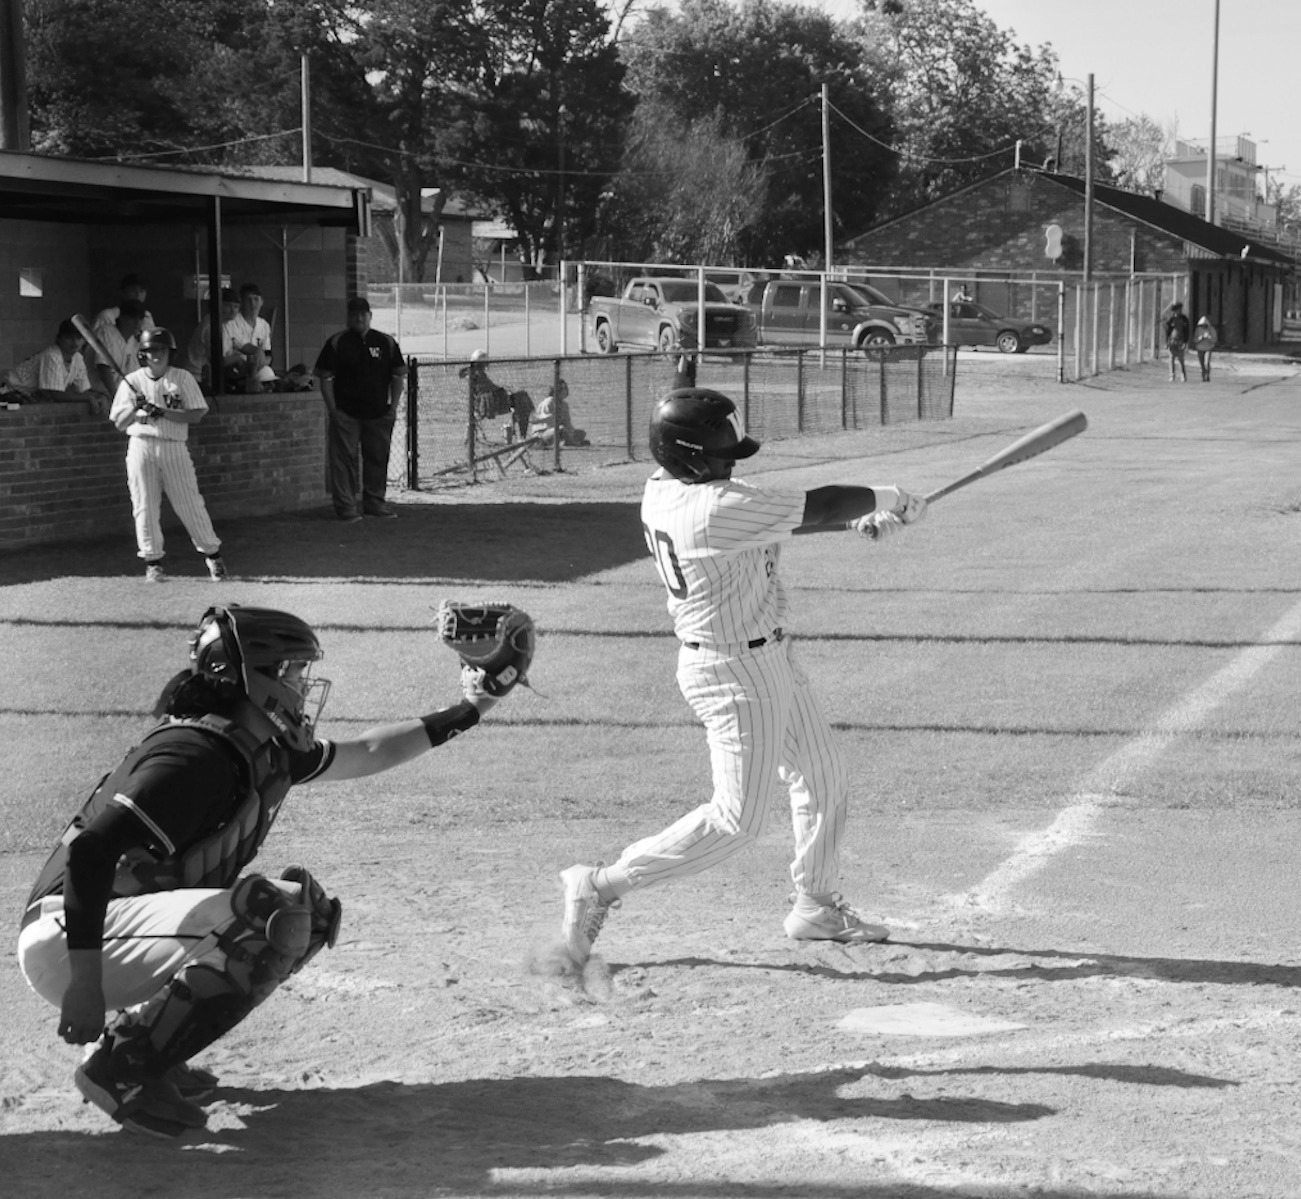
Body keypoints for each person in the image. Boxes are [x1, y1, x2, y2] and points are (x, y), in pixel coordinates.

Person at [15, 601, 526, 1139]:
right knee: (269, 916)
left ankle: (147, 1048)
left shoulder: (256, 747)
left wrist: (474, 706)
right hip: (71, 940)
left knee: (309, 911)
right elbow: (91, 853)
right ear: (249, 677)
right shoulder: (193, 756)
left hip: (122, 929)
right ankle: (120, 1072)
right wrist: (86, 987)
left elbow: (371, 750)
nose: (304, 684)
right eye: (294, 670)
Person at [557, 386, 927, 970]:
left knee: (822, 770)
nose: (733, 462)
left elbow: (774, 515)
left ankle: (816, 905)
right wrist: (889, 496)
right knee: (737, 818)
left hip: (767, 656)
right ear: (693, 457)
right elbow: (817, 503)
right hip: (731, 672)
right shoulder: (712, 508)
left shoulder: (669, 488)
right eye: (723, 454)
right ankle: (600, 884)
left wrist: (857, 522)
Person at [108, 327, 227, 583]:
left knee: (189, 503)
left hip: (173, 445)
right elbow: (119, 423)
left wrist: (159, 411)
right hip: (141, 444)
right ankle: (153, 562)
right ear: (143, 354)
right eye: (151, 350)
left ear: (169, 352)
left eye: (161, 350)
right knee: (144, 505)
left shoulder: (182, 378)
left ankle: (213, 556)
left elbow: (196, 414)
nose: (156, 355)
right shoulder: (132, 381)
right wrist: (135, 408)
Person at [314, 296, 406, 521]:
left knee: (377, 458)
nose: (359, 318)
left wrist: (392, 407)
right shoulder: (337, 343)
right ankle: (346, 507)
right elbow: (325, 377)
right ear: (348, 317)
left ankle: (374, 503)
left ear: (370, 316)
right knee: (343, 459)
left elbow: (398, 375)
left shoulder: (386, 342)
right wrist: (333, 409)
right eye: (354, 314)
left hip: (378, 413)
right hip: (346, 414)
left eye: (363, 314)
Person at [5, 318, 106, 413]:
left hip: (33, 398)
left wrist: (98, 397)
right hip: (11, 395)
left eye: (79, 337)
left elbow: (83, 390)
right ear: (59, 339)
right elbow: (56, 394)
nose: (75, 342)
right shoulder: (52, 355)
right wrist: (90, 397)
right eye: (69, 337)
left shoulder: (78, 358)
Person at [460, 348, 533, 438]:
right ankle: (522, 436)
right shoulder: (477, 374)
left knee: (521, 399)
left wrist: (503, 390)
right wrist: (503, 390)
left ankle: (517, 432)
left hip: (493, 400)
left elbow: (488, 387)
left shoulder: (474, 373)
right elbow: (488, 389)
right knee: (522, 399)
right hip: (490, 403)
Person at [184, 287, 242, 390]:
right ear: (218, 305)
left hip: (208, 377)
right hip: (196, 378)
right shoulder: (210, 326)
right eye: (228, 306)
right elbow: (218, 361)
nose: (233, 310)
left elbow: (240, 345)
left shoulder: (226, 324)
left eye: (236, 307)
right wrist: (237, 358)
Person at [88, 299, 147, 396]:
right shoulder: (106, 332)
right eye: (133, 318)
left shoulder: (132, 342)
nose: (137, 322)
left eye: (140, 318)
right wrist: (115, 396)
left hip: (114, 397)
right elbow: (103, 367)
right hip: (95, 394)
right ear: (122, 317)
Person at [224, 283, 275, 392]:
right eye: (248, 300)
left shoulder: (264, 325)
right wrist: (257, 354)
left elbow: (268, 354)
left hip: (258, 370)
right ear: (242, 302)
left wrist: (261, 362)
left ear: (262, 302)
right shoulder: (231, 320)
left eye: (256, 299)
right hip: (234, 372)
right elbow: (241, 346)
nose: (252, 304)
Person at [527, 377, 588, 447]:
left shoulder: (565, 405)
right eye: (562, 388)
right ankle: (572, 444)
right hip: (542, 433)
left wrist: (572, 433)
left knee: (581, 433)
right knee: (561, 430)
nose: (564, 391)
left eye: (565, 388)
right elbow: (548, 422)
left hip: (558, 431)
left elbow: (567, 424)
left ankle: (567, 442)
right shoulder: (549, 402)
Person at [1165, 301, 1191, 383]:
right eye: (1176, 310)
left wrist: (1185, 341)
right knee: (1171, 359)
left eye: (1179, 309)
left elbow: (1187, 331)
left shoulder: (1184, 319)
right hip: (1172, 341)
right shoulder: (1171, 319)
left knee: (1181, 359)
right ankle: (1172, 376)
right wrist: (1167, 341)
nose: (1178, 311)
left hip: (1181, 341)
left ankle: (1183, 376)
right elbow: (1167, 331)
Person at [1192, 314, 1218, 382]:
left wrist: (1209, 337)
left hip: (1208, 348)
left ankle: (1207, 376)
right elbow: (1195, 340)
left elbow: (1214, 340)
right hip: (1200, 348)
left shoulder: (1211, 329)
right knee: (1202, 364)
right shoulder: (1198, 329)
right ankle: (1203, 377)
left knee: (1207, 363)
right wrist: (1200, 338)